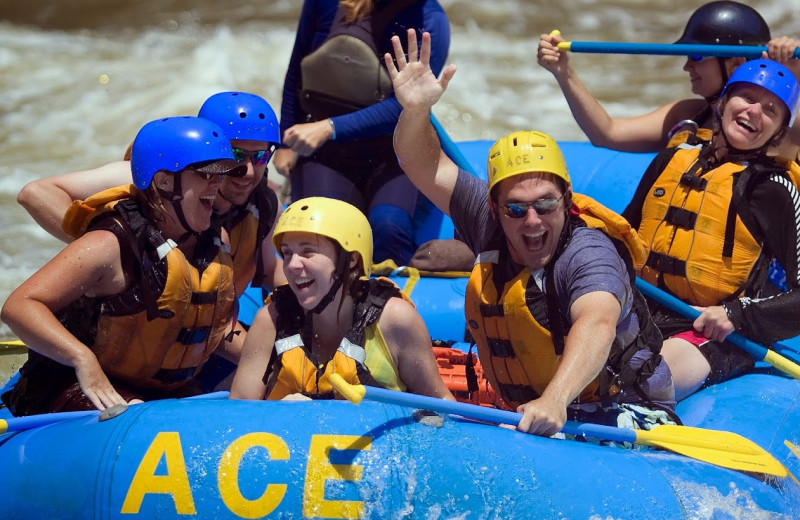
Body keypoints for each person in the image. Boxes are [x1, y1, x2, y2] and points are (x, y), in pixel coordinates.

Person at [385, 31, 675, 437]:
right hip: (528, 407)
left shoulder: (588, 252)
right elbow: (421, 163)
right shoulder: (487, 221)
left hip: (622, 408)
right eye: (516, 210)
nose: (532, 221)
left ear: (567, 200)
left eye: (546, 205)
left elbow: (596, 323)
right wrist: (415, 111)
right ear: (494, 207)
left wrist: (555, 399)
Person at [16, 92, 285, 380]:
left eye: (259, 157)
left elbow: (267, 270)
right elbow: (35, 193)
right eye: (234, 156)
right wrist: (117, 255)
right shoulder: (150, 182)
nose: (245, 171)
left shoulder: (261, 206)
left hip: (190, 343)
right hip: (115, 342)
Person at [1, 116, 246, 415]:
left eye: (220, 174)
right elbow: (19, 306)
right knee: (141, 413)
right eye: (206, 174)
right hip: (75, 386)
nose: (218, 183)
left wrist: (276, 366)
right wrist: (82, 359)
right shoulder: (110, 243)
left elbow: (215, 330)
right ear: (164, 181)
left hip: (156, 390)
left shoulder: (214, 241)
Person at [622, 59, 800, 400]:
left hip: (707, 329)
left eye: (771, 110)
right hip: (641, 307)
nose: (754, 111)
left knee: (645, 381)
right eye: (746, 97)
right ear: (722, 103)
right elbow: (623, 236)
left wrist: (738, 314)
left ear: (778, 132)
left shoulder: (772, 189)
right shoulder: (671, 160)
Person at [273, 0, 450, 265]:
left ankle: (388, 301)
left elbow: (403, 107)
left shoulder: (431, 22)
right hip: (327, 155)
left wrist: (330, 127)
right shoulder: (327, 4)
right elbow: (297, 69)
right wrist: (284, 140)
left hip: (395, 154)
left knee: (388, 227)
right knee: (322, 233)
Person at [229, 196, 455, 402]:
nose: (292, 265)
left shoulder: (395, 320)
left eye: (308, 252)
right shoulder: (270, 321)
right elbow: (239, 413)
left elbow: (441, 410)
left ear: (352, 260)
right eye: (287, 253)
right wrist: (280, 414)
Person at [537, 1, 800, 157]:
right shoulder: (686, 115)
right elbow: (607, 133)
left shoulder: (774, 128)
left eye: (696, 56)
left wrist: (795, 72)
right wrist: (564, 72)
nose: (686, 66)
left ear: (734, 64)